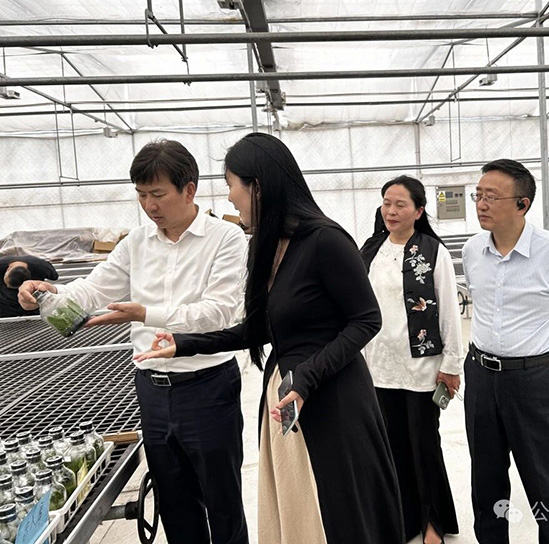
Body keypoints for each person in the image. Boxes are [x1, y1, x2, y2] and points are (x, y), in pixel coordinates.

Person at [134, 132, 405, 544]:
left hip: (332, 401)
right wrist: (185, 343)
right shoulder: (268, 244)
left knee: (334, 514)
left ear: (257, 186)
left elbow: (366, 320)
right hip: (286, 394)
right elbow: (261, 328)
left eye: (232, 185)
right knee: (299, 514)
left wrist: (307, 376)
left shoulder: (325, 241)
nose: (229, 197)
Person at [18, 139, 249, 544]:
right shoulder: (136, 243)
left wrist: (145, 313)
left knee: (222, 501)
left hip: (206, 387)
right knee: (175, 503)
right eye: (141, 195)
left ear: (189, 190)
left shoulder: (226, 239)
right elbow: (93, 289)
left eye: (157, 194)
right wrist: (48, 292)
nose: (149, 205)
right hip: (152, 389)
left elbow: (220, 312)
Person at [461, 159, 549, 544]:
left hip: (535, 382)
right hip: (480, 376)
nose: (481, 204)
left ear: (523, 204)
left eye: (492, 196)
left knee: (547, 482)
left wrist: (534, 348)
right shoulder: (472, 251)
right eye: (478, 195)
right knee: (486, 480)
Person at [360, 175, 464, 544]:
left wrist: (451, 365)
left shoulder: (433, 252)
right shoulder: (371, 250)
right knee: (392, 447)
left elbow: (449, 310)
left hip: (422, 368)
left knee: (424, 446)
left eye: (400, 204)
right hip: (378, 366)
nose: (390, 211)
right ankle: (404, 520)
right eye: (386, 203)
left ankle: (433, 521)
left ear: (418, 211)